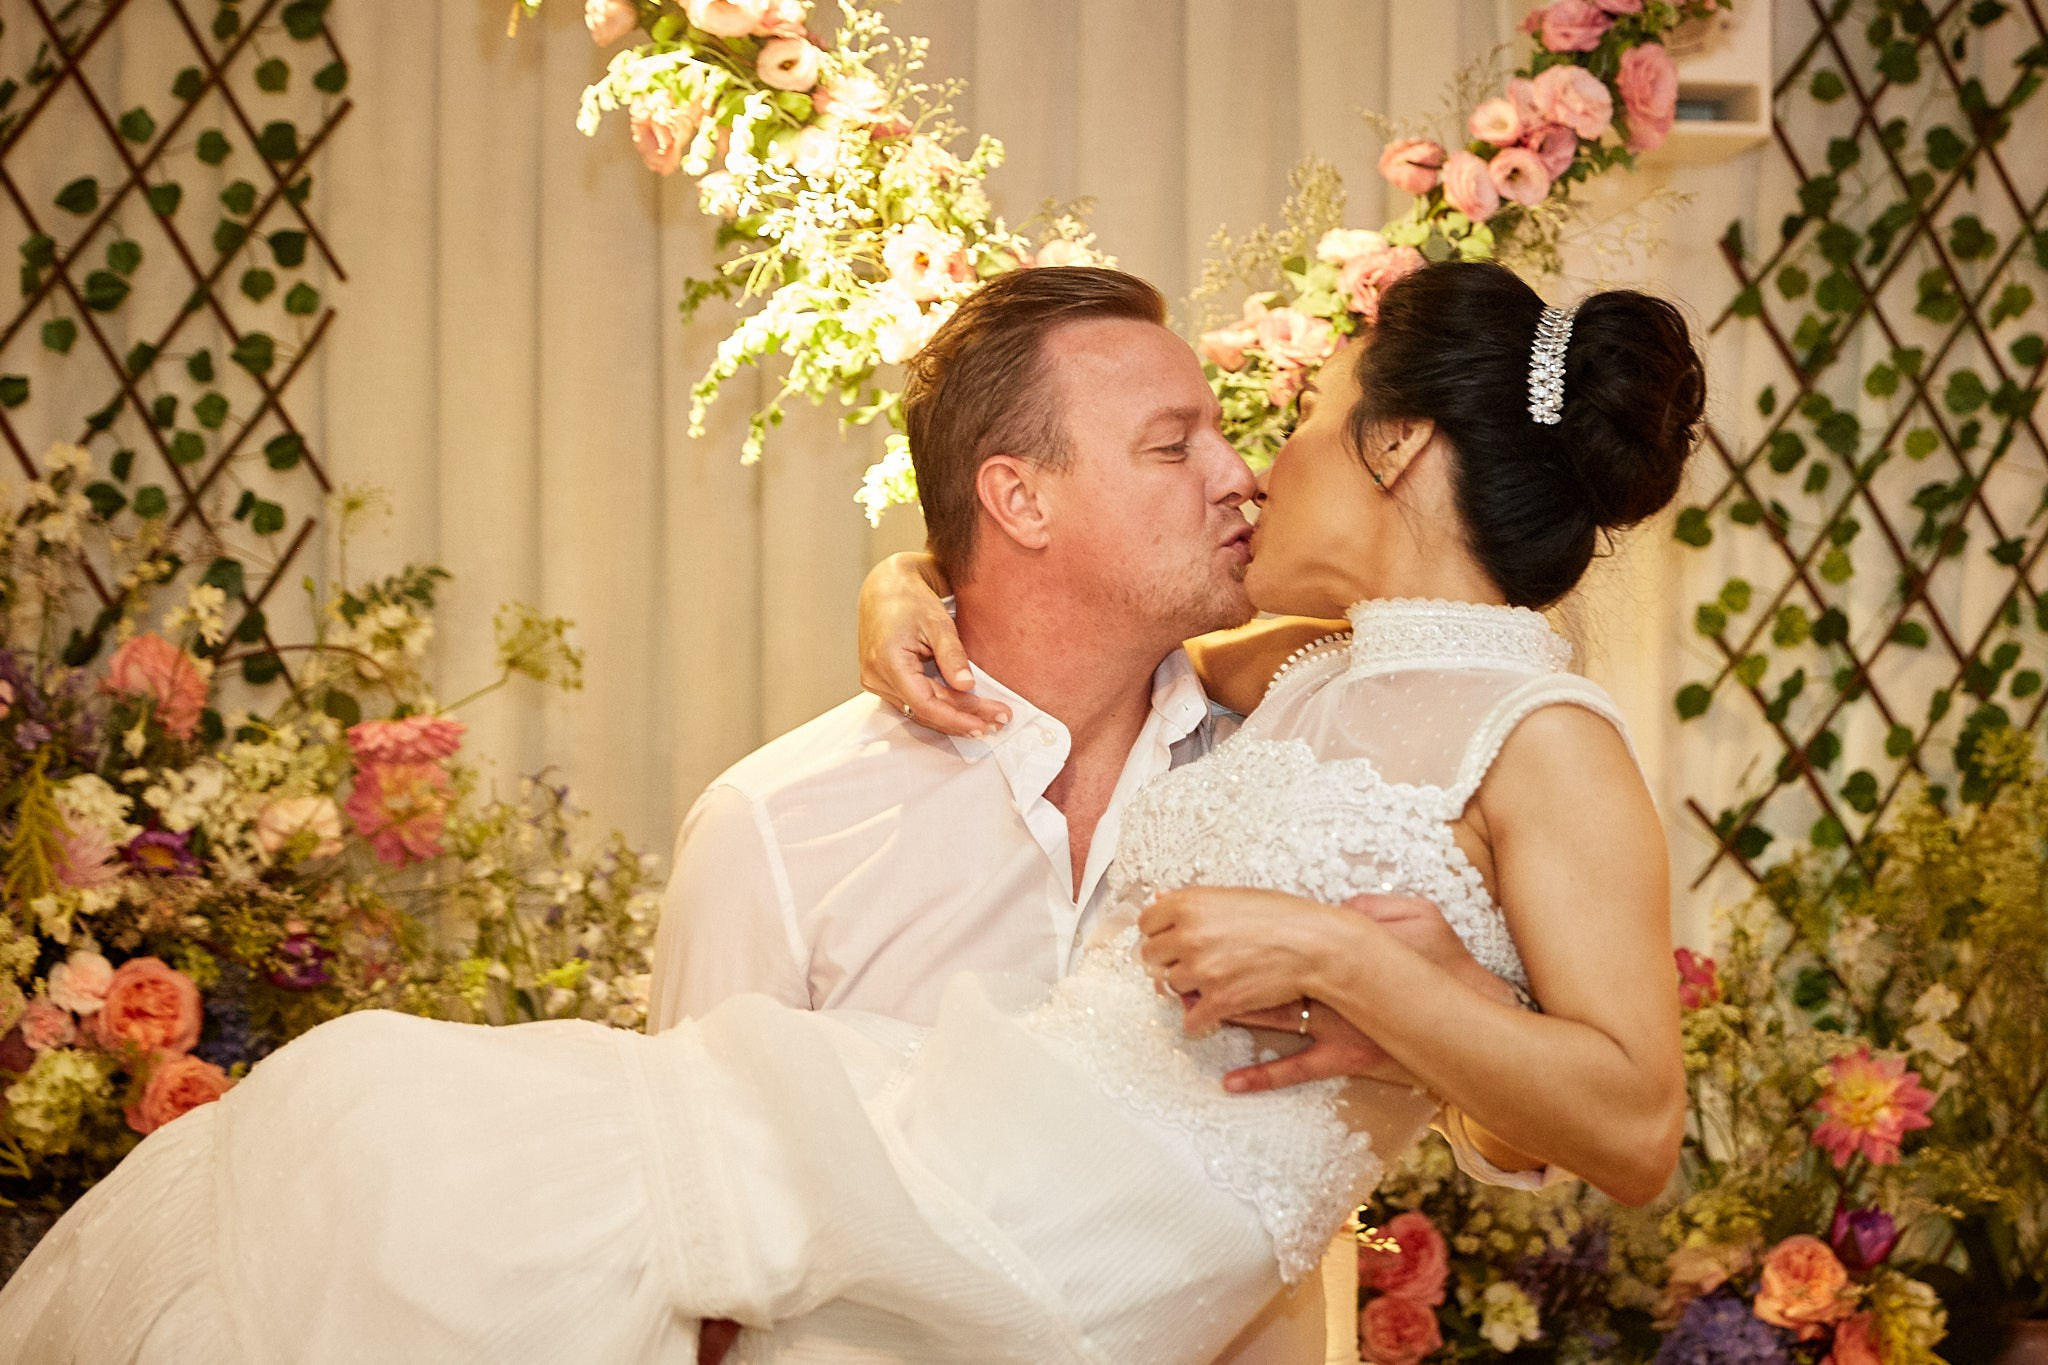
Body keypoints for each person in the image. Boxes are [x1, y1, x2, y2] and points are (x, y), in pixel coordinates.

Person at [0, 260, 1696, 1365]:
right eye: (1194, 442)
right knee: (382, 1153)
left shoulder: (1549, 738)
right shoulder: (1305, 670)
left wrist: (1380, 978)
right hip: (948, 1159)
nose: (1260, 466)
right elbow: (1044, 620)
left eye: (1302, 419)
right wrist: (902, 586)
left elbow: (1618, 1128)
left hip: (1077, 1274)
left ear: (1396, 450)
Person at [652, 266, 1531, 1364]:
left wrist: (1418, 1012)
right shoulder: (775, 829)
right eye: (1174, 447)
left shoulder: (1304, 765)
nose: (1240, 476)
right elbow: (694, 1254)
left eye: (1225, 434)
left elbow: (1512, 1130)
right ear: (1019, 500)